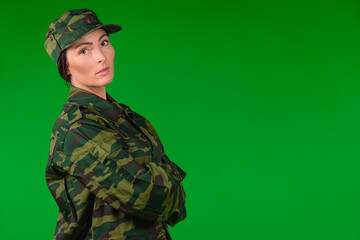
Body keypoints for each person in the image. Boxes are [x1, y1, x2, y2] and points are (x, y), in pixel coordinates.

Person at [44, 9, 187, 240]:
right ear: (66, 67)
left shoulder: (125, 116)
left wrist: (166, 185)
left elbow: (174, 196)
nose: (101, 56)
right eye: (84, 50)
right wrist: (167, 181)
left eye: (104, 43)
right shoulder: (79, 127)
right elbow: (144, 193)